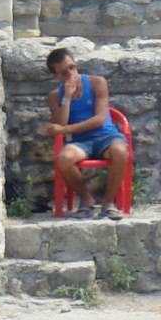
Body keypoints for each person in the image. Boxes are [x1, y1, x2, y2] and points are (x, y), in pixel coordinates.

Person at [44, 47, 127, 220]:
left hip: (106, 135)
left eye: (72, 67)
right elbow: (60, 123)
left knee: (120, 152)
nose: (70, 73)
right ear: (56, 76)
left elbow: (99, 119)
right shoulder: (54, 96)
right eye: (64, 72)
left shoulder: (97, 83)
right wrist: (67, 96)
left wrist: (66, 130)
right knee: (64, 159)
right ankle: (86, 199)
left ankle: (108, 203)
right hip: (81, 142)